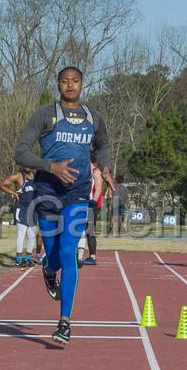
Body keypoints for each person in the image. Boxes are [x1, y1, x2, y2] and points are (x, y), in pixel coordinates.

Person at [14, 66, 113, 346]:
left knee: (70, 253)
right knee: (54, 255)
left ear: (82, 84)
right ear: (58, 84)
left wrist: (104, 167)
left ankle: (64, 323)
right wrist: (50, 166)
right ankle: (48, 269)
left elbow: (103, 145)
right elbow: (20, 150)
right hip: (47, 193)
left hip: (78, 193)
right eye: (65, 81)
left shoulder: (93, 117)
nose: (70, 85)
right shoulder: (46, 114)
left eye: (75, 81)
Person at [0, 167, 39, 267]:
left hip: (33, 209)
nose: (28, 166)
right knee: (21, 234)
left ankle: (27, 258)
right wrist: (13, 192)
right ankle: (18, 259)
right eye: (25, 164)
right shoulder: (18, 176)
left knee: (31, 235)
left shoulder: (36, 175)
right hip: (22, 208)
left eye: (30, 163)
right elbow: (2, 185)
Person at [77, 164, 105, 266]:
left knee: (89, 229)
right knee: (82, 228)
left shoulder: (95, 171)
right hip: (84, 203)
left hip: (92, 204)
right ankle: (80, 255)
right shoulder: (83, 168)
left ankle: (92, 256)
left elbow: (98, 189)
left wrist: (92, 202)